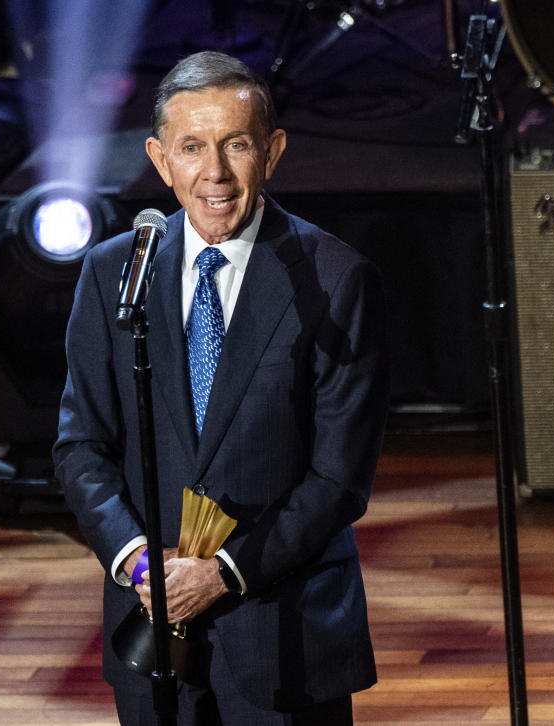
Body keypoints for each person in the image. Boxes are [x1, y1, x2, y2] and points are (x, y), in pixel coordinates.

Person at [52, 50, 390, 726]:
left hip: (282, 634)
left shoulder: (334, 279)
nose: (214, 173)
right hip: (152, 636)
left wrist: (223, 571)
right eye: (191, 147)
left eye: (235, 145)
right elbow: (80, 446)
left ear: (272, 151)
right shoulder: (115, 274)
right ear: (159, 159)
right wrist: (139, 564)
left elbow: (338, 477)